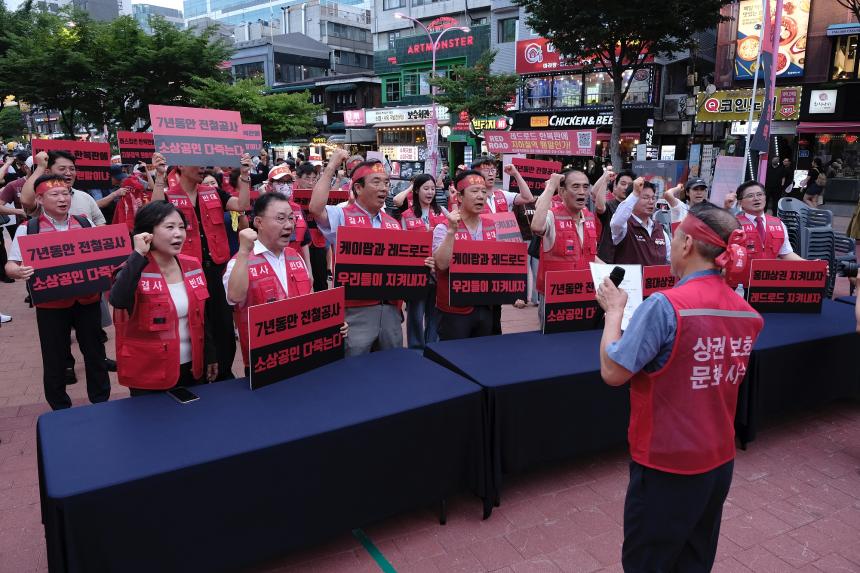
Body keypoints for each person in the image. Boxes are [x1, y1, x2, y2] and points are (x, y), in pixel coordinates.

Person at [596, 201, 764, 572]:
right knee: (694, 561)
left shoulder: (665, 306)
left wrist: (613, 313)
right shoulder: (745, 311)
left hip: (665, 465)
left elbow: (613, 370)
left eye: (674, 239)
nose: (671, 247)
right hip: (718, 462)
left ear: (687, 243)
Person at [4, 175, 110, 410]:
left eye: (66, 194)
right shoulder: (28, 228)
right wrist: (18, 271)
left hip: (87, 301)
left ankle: (101, 401)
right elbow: (10, 265)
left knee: (95, 353)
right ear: (40, 199)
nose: (63, 199)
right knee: (54, 358)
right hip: (51, 306)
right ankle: (60, 407)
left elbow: (102, 254)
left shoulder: (84, 223)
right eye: (55, 194)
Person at [311, 149, 425, 355]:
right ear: (358, 188)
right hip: (355, 312)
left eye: (386, 183)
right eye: (376, 182)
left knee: (390, 369)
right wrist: (331, 166)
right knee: (355, 371)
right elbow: (316, 209)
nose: (384, 188)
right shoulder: (342, 216)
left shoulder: (393, 224)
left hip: (390, 311)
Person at [150, 152, 252, 380]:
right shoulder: (169, 196)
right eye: (196, 162)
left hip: (217, 269)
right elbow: (153, 214)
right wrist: (158, 176)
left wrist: (245, 174)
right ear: (180, 165)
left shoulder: (215, 193)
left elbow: (243, 204)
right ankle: (200, 372)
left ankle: (224, 372)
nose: (203, 167)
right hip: (187, 272)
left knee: (224, 323)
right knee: (196, 323)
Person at [224, 192, 347, 374]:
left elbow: (309, 305)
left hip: (302, 355)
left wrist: (331, 322)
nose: (289, 225)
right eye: (281, 219)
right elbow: (234, 297)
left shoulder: (294, 256)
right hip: (266, 363)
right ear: (258, 222)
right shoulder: (240, 261)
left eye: (291, 218)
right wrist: (243, 252)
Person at [110, 201, 218, 395]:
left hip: (192, 368)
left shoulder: (192, 265)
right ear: (147, 232)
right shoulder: (133, 268)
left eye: (182, 227)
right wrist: (138, 255)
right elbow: (118, 300)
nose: (178, 234)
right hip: (149, 374)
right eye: (169, 227)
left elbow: (202, 317)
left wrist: (210, 355)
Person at [433, 170, 501, 340]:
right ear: (460, 197)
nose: (481, 196)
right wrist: (451, 232)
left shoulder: (492, 226)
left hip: (485, 305)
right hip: (454, 309)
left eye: (484, 192)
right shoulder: (443, 228)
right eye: (474, 191)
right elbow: (441, 265)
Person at [531, 170, 602, 321]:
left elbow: (590, 256)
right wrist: (551, 187)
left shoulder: (589, 217)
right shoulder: (551, 215)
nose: (582, 192)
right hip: (555, 296)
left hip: (584, 293)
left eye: (585, 187)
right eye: (575, 187)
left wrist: (614, 271)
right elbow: (537, 226)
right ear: (562, 191)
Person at [397, 174, 448, 349]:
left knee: (435, 313)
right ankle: (416, 348)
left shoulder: (442, 212)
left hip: (438, 272)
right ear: (417, 190)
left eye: (433, 189)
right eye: (426, 188)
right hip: (416, 274)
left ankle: (432, 347)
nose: (430, 192)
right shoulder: (407, 215)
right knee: (416, 314)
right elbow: (403, 246)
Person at [21, 150, 106, 225]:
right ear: (48, 172)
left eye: (72, 169)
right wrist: (40, 167)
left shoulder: (86, 197)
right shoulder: (42, 197)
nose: (68, 173)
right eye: (62, 169)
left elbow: (99, 223)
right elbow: (26, 200)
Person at [610, 178, 671, 266]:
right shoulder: (625, 226)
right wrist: (635, 193)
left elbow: (670, 260)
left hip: (654, 279)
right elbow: (616, 223)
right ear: (633, 199)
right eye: (645, 198)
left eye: (653, 198)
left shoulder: (659, 229)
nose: (651, 202)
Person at [266, 164, 313, 273]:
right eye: (281, 182)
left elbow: (304, 242)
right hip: (273, 266)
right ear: (270, 185)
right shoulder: (263, 209)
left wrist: (309, 270)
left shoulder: (298, 208)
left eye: (288, 182)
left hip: (297, 265)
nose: (285, 186)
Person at [295, 162, 329, 293]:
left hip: (318, 242)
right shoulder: (291, 195)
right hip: (299, 245)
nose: (311, 182)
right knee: (300, 281)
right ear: (298, 179)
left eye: (314, 179)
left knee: (320, 280)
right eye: (307, 178)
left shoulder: (320, 195)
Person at [596, 169, 636, 263]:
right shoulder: (610, 205)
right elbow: (599, 207)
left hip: (630, 260)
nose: (626, 187)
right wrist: (605, 180)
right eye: (623, 184)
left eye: (629, 185)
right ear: (615, 187)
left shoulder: (636, 208)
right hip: (609, 259)